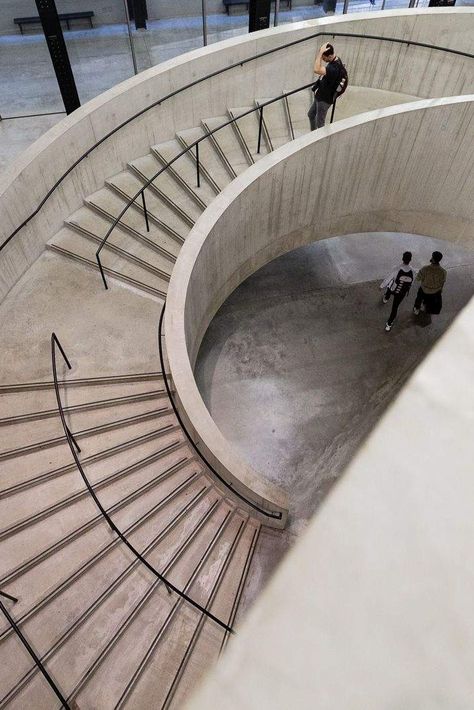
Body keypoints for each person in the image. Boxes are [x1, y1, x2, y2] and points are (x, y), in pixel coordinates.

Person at [308, 43, 345, 130]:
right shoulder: (335, 59)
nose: (322, 60)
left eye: (323, 58)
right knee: (311, 114)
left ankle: (319, 140)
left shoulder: (334, 68)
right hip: (320, 95)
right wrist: (321, 53)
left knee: (320, 124)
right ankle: (313, 134)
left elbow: (316, 69)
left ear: (330, 56)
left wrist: (320, 53)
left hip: (324, 100)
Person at [380, 251, 415, 332]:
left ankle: (386, 298)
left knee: (390, 286)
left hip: (393, 288)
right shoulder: (413, 271)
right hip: (401, 293)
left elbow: (388, 278)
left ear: (402, 258)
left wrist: (381, 286)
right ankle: (389, 324)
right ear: (410, 260)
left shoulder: (396, 268)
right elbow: (411, 283)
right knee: (395, 308)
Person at [413, 251, 446, 315]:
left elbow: (418, 278)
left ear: (432, 258)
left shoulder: (425, 269)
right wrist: (440, 289)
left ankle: (417, 308)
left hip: (424, 289)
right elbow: (442, 282)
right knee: (430, 301)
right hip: (435, 291)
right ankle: (427, 308)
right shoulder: (443, 272)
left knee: (419, 298)